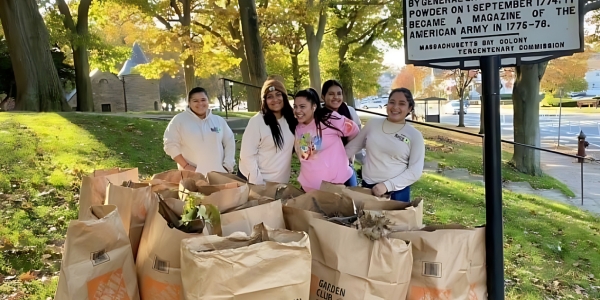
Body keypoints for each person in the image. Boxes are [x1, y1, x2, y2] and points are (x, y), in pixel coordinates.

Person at [345, 87, 425, 202]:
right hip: (368, 187)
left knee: (394, 221)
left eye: (401, 103)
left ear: (410, 108)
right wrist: (332, 162)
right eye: (392, 102)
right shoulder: (373, 124)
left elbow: (415, 171)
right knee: (365, 220)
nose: (395, 107)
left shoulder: (415, 136)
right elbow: (353, 146)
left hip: (397, 193)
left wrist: (387, 185)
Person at [293, 87, 360, 192]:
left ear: (313, 107)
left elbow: (355, 131)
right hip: (309, 188)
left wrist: (347, 152)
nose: (297, 111)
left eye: (302, 106)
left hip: (339, 185)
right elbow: (306, 155)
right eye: (295, 106)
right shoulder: (298, 128)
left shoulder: (329, 119)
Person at [163, 87, 236, 175]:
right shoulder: (179, 120)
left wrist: (227, 165)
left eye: (203, 100)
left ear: (208, 101)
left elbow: (229, 141)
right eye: (195, 101)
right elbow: (170, 145)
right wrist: (186, 166)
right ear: (189, 103)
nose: (200, 103)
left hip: (219, 174)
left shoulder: (218, 121)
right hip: (192, 176)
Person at [238, 79, 298, 184]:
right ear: (264, 100)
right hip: (258, 182)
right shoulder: (257, 121)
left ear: (284, 96)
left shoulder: (292, 120)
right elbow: (247, 156)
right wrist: (258, 183)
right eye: (270, 96)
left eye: (278, 94)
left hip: (280, 184)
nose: (275, 99)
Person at [321, 79, 365, 186]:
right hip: (324, 168)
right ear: (323, 96)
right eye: (331, 94)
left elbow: (357, 140)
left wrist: (364, 161)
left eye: (339, 94)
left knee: (351, 197)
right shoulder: (318, 115)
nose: (336, 97)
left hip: (345, 166)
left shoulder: (350, 112)